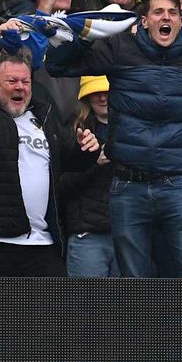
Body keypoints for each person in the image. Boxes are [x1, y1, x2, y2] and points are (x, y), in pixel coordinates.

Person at [45, 0, 182, 278]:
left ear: (181, 21)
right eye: (158, 12)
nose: (166, 18)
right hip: (128, 185)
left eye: (173, 12)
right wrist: (82, 36)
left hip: (179, 184)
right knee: (134, 282)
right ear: (144, 21)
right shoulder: (120, 48)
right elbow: (57, 65)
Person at [0, 38, 101, 277]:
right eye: (12, 81)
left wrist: (86, 150)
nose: (20, 87)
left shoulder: (44, 116)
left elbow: (68, 163)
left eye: (26, 81)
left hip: (40, 243)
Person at [59, 75, 116, 278]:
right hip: (88, 235)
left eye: (107, 92)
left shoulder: (133, 128)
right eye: (95, 93)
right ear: (86, 97)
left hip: (128, 233)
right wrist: (93, 164)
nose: (102, 98)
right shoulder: (74, 129)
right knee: (88, 299)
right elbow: (60, 185)